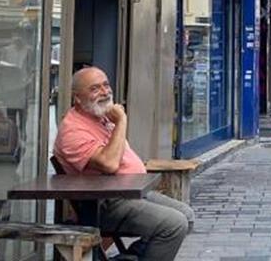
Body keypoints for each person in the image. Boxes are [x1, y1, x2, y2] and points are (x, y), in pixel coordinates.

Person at [53, 67, 194, 261]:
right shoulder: (73, 131)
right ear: (77, 98)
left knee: (186, 214)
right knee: (174, 224)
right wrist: (121, 121)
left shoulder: (100, 117)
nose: (104, 92)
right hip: (105, 202)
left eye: (106, 85)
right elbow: (109, 164)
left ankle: (131, 258)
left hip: (131, 192)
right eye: (95, 88)